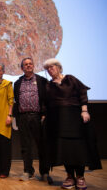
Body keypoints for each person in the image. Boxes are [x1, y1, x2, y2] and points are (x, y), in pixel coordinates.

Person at [44, 58, 102, 190]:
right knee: (65, 149)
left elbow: (82, 92)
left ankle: (80, 177)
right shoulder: (48, 85)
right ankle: (70, 176)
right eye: (47, 68)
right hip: (58, 120)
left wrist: (84, 110)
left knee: (78, 147)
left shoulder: (70, 79)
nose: (50, 70)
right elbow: (46, 103)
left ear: (59, 67)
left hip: (75, 117)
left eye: (52, 67)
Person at [13, 57, 52, 183]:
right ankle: (28, 171)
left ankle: (45, 172)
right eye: (26, 64)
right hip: (23, 117)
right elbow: (16, 101)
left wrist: (44, 114)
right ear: (22, 68)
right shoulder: (17, 83)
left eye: (30, 64)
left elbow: (47, 100)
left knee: (42, 146)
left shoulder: (42, 81)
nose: (28, 66)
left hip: (38, 117)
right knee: (25, 146)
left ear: (33, 66)